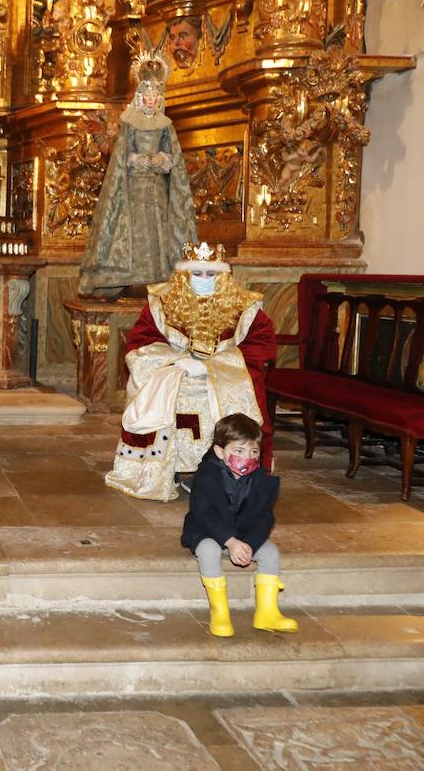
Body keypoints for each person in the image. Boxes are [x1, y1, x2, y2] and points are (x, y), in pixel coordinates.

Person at [106, 241, 276, 501]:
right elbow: (140, 344)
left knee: (235, 399)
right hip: (177, 375)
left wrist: (213, 367)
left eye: (212, 274)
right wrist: (176, 362)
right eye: (198, 274)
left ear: (224, 277)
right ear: (184, 275)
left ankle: (230, 473)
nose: (204, 280)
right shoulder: (162, 302)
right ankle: (164, 469)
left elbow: (261, 347)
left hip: (225, 378)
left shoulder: (245, 307)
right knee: (159, 398)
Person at [78, 46, 198, 297]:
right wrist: (135, 159)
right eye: (147, 93)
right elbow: (122, 153)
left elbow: (172, 157)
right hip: (133, 188)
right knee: (135, 230)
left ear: (160, 96)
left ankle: (158, 277)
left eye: (156, 93)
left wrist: (162, 160)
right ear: (140, 96)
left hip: (156, 188)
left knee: (157, 231)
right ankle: (128, 277)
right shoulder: (130, 122)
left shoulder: (165, 126)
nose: (151, 98)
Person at [182, 413, 296, 637]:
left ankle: (267, 612)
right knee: (208, 550)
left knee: (271, 552)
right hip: (208, 531)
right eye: (239, 451)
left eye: (254, 452)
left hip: (243, 534)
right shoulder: (206, 476)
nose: (247, 458)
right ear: (220, 452)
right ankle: (220, 612)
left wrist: (250, 544)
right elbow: (202, 514)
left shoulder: (261, 478)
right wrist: (230, 541)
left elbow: (266, 517)